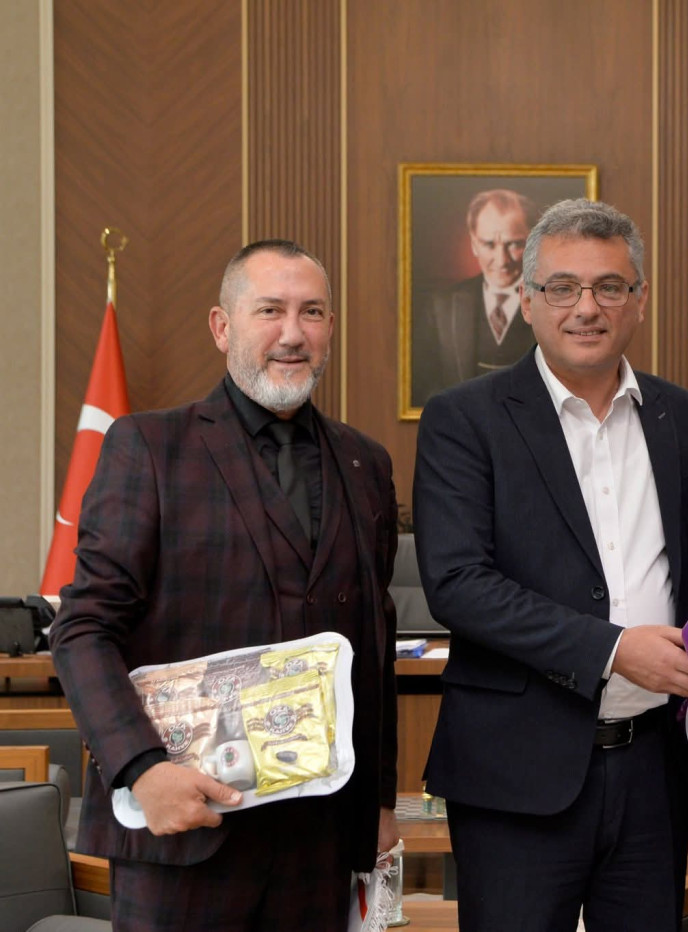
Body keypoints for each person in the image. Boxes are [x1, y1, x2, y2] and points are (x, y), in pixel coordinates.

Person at [49, 239, 401, 931]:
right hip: (185, 827)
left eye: (312, 312)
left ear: (330, 328)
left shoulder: (367, 463)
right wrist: (142, 769)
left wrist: (379, 802)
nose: (292, 333)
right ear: (222, 326)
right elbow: (83, 628)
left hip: (320, 838)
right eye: (270, 310)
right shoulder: (149, 447)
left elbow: (374, 638)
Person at [413, 198, 688, 930]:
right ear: (527, 299)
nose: (586, 307)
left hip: (653, 772)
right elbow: (457, 583)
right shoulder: (465, 417)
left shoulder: (681, 415)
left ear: (639, 299)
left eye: (610, 286)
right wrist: (612, 650)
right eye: (562, 288)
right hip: (516, 776)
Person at [412, 188, 539, 403]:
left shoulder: (553, 303)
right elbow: (424, 388)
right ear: (474, 244)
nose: (502, 260)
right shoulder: (441, 307)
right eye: (489, 244)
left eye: (514, 244)